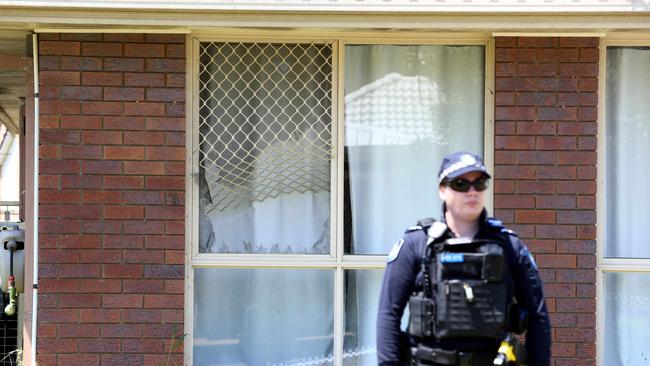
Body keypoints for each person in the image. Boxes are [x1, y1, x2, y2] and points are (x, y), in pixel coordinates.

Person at [376, 151, 551, 366]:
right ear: (442, 189)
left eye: (480, 183)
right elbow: (388, 316)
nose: (472, 192)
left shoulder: (509, 247)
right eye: (460, 184)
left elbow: (538, 317)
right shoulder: (416, 244)